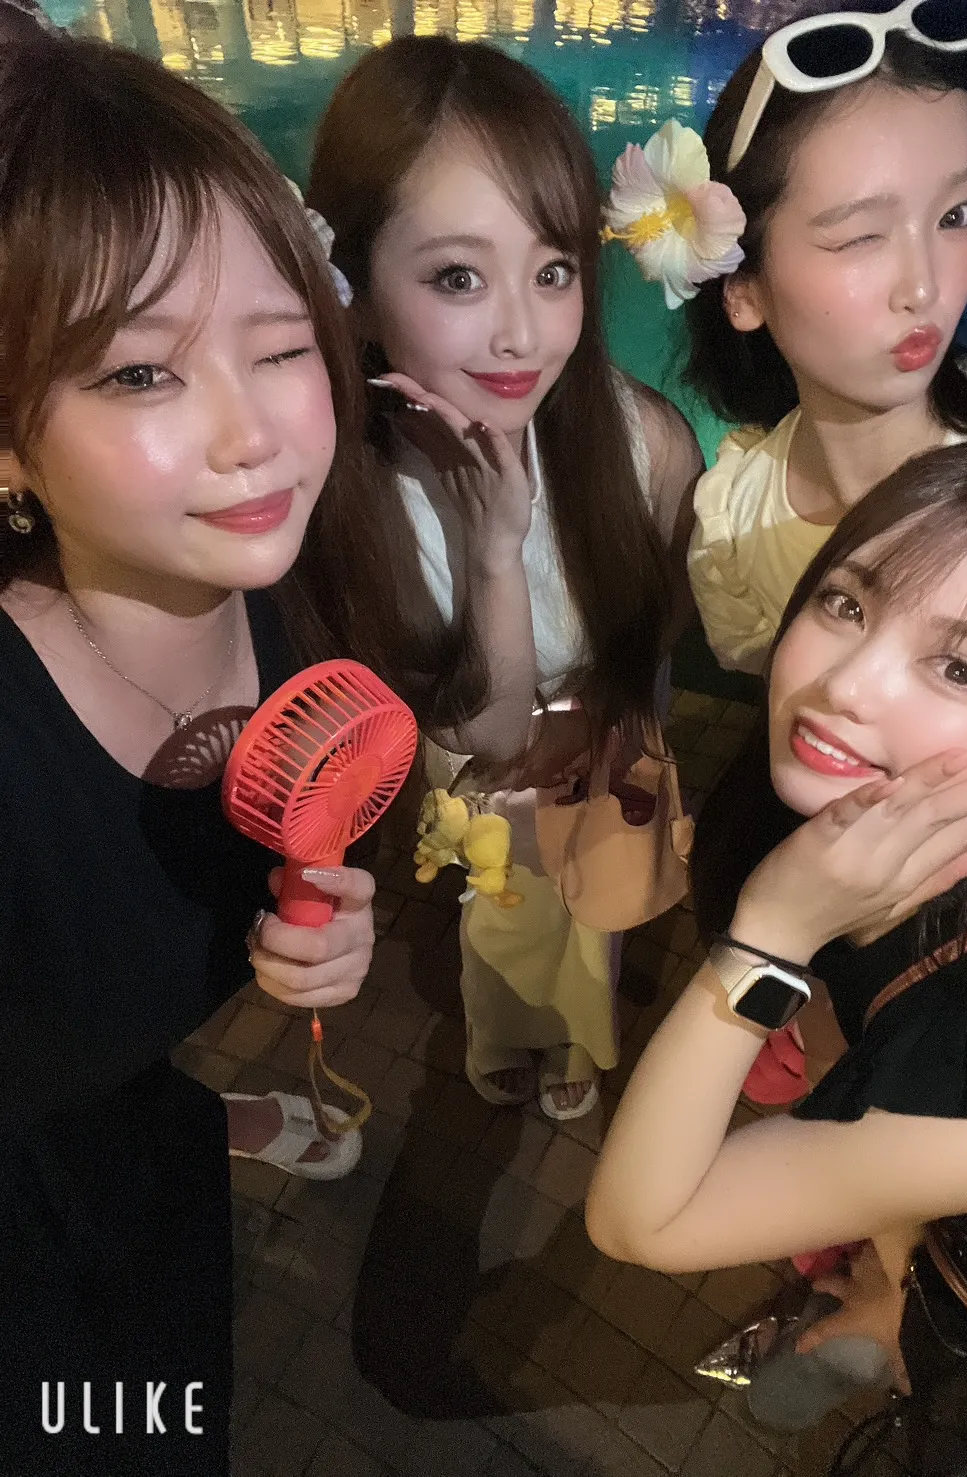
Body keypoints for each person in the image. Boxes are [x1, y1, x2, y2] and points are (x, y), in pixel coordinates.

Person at [0, 37, 380, 1474]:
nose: (254, 434)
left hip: (139, 1141)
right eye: (143, 370)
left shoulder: (283, 592)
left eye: (281, 347)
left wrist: (321, 922)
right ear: (7, 442)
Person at [587, 438, 967, 1437]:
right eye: (846, 603)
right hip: (941, 1169)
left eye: (959, 667)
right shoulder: (877, 826)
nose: (848, 683)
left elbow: (639, 1219)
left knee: (882, 1364)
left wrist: (768, 937)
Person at [307, 36, 703, 1120]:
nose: (524, 333)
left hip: (607, 737)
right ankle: (505, 1034)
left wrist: (615, 710)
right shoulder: (351, 505)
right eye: (458, 276)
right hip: (486, 767)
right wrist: (492, 547)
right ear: (352, 291)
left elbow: (666, 613)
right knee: (503, 914)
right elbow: (485, 736)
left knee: (595, 915)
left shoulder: (637, 441)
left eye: (553, 269)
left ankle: (579, 1043)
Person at [667, 1, 967, 674]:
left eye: (957, 214)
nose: (924, 288)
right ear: (743, 288)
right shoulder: (737, 532)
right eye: (861, 237)